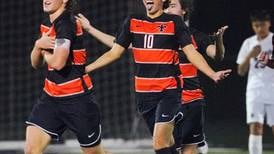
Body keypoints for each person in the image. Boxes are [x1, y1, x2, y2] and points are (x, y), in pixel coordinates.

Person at [78, 0, 231, 153]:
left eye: (173, 6)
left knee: (163, 144)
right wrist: (87, 66)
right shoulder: (134, 22)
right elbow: (116, 48)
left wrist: (212, 72)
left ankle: (196, 141)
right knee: (167, 145)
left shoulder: (178, 26)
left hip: (176, 95)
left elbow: (197, 53)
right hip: (145, 95)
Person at [25, 0, 105, 153]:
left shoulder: (67, 24)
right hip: (50, 98)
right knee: (31, 149)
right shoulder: (47, 23)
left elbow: (58, 63)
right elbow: (35, 64)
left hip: (78, 100)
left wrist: (45, 52)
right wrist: (37, 45)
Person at [164, 0, 228, 153]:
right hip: (167, 101)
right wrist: (93, 30)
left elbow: (217, 55)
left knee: (187, 150)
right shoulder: (158, 37)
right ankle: (199, 142)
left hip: (191, 100)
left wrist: (218, 41)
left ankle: (196, 142)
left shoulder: (195, 36)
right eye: (165, 7)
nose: (167, 10)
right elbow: (120, 45)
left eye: (172, 6)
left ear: (184, 10)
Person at [237, 10, 274, 154]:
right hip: (255, 91)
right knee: (256, 127)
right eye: (256, 25)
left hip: (272, 90)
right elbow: (240, 70)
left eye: (262, 25)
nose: (259, 28)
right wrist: (250, 55)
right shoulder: (249, 43)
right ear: (253, 26)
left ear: (269, 24)